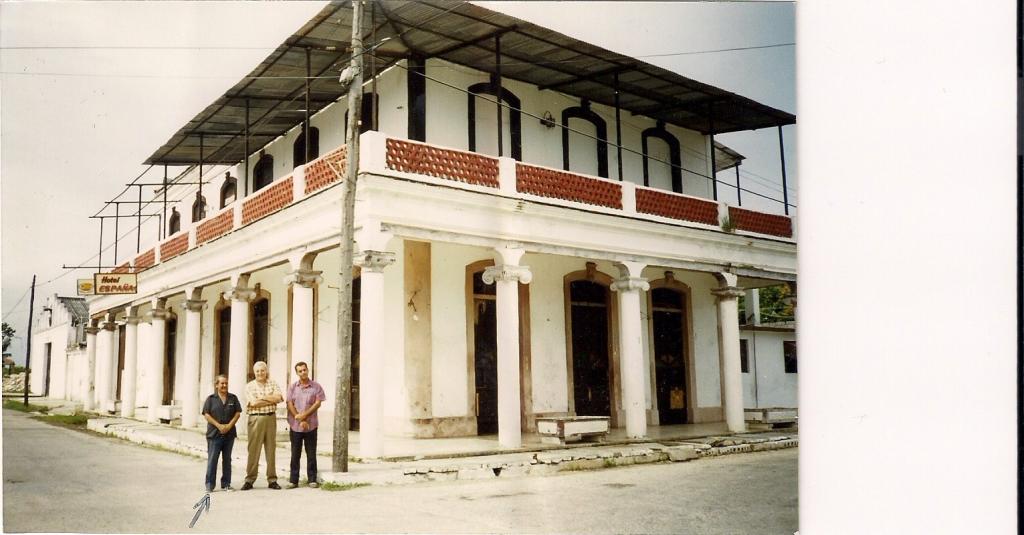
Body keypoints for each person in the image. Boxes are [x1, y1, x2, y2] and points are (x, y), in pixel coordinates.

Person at [242, 361, 283, 490]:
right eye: (258, 371)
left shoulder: (273, 383)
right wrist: (269, 398)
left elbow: (279, 398)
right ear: (254, 373)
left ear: (266, 371)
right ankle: (249, 479)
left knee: (271, 450)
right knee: (253, 450)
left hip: (271, 418)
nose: (260, 373)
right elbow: (253, 403)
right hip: (256, 419)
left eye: (262, 370)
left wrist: (262, 399)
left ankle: (272, 480)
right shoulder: (249, 386)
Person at [286, 361, 326, 488]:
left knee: (311, 453)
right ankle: (293, 480)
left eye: (304, 370)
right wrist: (299, 418)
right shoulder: (293, 387)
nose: (303, 372)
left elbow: (318, 403)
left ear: (308, 370)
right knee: (295, 453)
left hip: (311, 425)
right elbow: (289, 403)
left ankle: (312, 479)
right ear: (297, 373)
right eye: (300, 371)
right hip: (295, 425)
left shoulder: (316, 387)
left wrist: (305, 416)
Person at [201, 375, 241, 493]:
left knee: (227, 460)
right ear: (216, 385)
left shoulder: (233, 398)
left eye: (226, 383)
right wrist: (218, 426)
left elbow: (238, 413)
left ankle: (226, 484)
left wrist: (229, 426)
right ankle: (209, 484)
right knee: (213, 459)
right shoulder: (211, 399)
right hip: (214, 434)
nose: (224, 385)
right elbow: (206, 414)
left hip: (229, 434)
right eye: (222, 383)